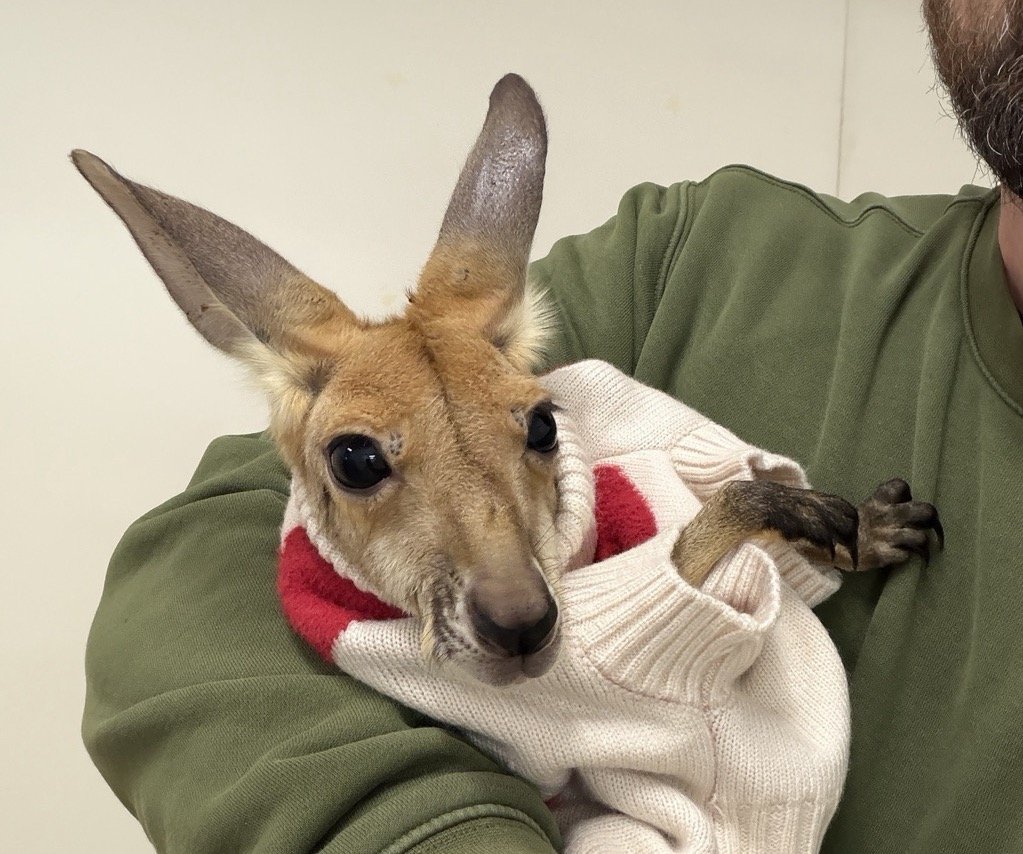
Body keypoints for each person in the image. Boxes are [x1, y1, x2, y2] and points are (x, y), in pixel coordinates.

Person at [82, 1, 1023, 851]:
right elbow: (192, 578)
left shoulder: (575, 391)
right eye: (365, 462)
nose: (516, 597)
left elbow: (648, 620)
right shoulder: (687, 261)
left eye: (537, 433)